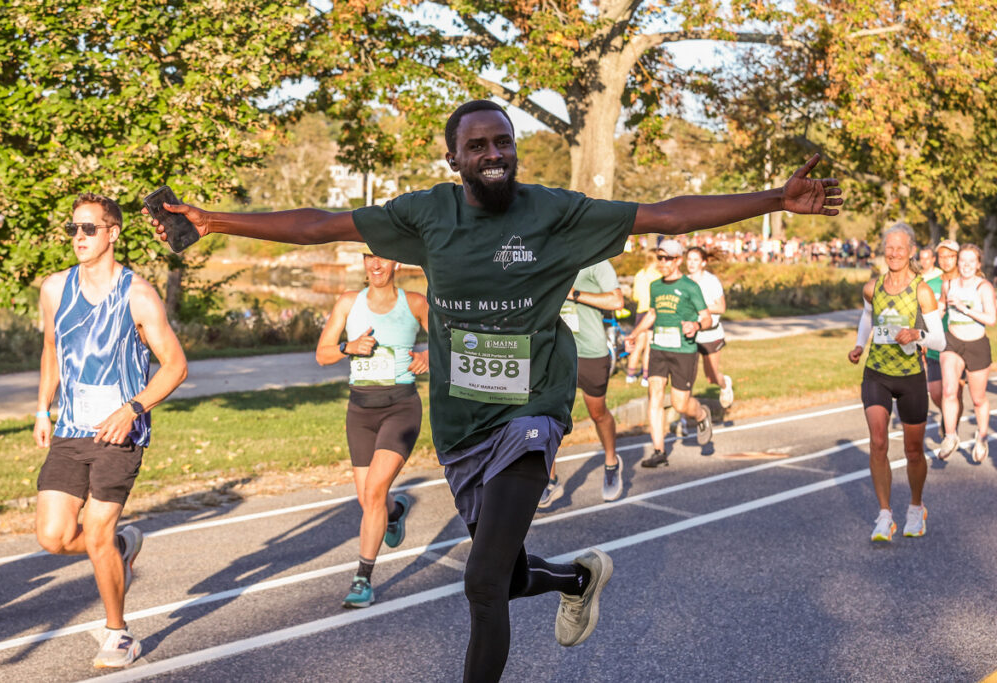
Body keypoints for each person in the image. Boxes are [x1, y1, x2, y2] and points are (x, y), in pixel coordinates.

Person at [145, 100, 842, 683]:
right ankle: (575, 580)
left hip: (533, 409)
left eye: (503, 140)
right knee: (502, 577)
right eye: (477, 144)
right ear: (455, 158)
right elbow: (318, 224)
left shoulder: (555, 216)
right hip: (462, 425)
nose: (493, 151)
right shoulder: (428, 216)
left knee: (480, 582)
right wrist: (213, 221)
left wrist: (773, 200)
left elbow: (669, 215)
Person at [34, 192, 188, 668]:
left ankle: (119, 634)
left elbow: (175, 366)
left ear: (113, 232)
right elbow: (52, 349)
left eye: (89, 229)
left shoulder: (137, 293)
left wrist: (132, 408)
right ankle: (122, 548)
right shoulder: (55, 289)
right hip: (71, 428)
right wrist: (42, 408)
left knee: (96, 532)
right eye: (73, 229)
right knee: (53, 537)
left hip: (121, 433)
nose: (78, 237)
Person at [315, 248, 430, 607]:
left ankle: (362, 579)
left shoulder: (415, 303)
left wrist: (429, 357)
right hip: (360, 411)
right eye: (370, 258)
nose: (376, 265)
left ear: (397, 262)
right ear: (364, 263)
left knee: (376, 489)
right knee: (370, 500)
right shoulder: (349, 302)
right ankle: (395, 513)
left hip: (401, 407)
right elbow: (322, 353)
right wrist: (349, 347)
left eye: (383, 257)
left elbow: (451, 339)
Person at [847, 224, 944, 542]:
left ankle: (916, 507)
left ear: (911, 251)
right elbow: (867, 316)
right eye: (889, 247)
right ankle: (885, 515)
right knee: (877, 442)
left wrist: (918, 334)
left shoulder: (921, 290)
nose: (894, 253)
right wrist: (861, 344)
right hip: (877, 373)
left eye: (900, 248)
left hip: (911, 377)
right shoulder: (872, 288)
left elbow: (940, 340)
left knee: (914, 450)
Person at [541, 260, 625, 508]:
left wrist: (574, 294)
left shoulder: (596, 262)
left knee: (597, 413)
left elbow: (617, 301)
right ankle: (549, 479)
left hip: (590, 351)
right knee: (547, 415)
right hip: (555, 351)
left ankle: (611, 462)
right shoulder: (548, 255)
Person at [624, 240, 713, 466]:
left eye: (667, 259)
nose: (662, 263)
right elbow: (652, 313)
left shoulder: (690, 287)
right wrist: (634, 334)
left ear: (678, 260)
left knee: (680, 404)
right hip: (659, 349)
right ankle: (658, 452)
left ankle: (702, 415)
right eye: (659, 258)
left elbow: (707, 317)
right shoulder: (655, 286)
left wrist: (696, 326)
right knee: (654, 396)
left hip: (683, 350)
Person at [937, 244, 996, 462]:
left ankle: (981, 438)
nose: (967, 265)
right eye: (963, 260)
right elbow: (941, 307)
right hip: (952, 341)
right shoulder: (948, 284)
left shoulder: (984, 287)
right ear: (957, 262)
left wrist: (964, 308)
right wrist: (934, 312)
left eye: (972, 261)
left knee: (978, 398)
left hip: (976, 344)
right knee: (949, 388)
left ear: (978, 264)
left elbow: (991, 319)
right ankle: (950, 436)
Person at [685, 246, 733, 409]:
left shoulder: (711, 281)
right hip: (690, 334)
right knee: (686, 377)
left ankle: (725, 384)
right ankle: (683, 414)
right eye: (689, 259)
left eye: (695, 260)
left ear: (703, 263)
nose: (691, 263)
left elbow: (721, 308)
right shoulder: (684, 281)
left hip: (710, 334)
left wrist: (700, 306)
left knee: (711, 377)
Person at [925, 240, 962, 433]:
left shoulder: (965, 281)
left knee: (955, 392)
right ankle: (949, 414)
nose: (946, 261)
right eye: (942, 256)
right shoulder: (930, 284)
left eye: (951, 256)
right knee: (937, 392)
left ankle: (951, 423)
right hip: (935, 345)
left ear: (958, 257)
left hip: (959, 345)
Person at [626, 249, 661, 385]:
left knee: (638, 345)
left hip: (641, 311)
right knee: (649, 346)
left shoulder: (639, 274)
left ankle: (630, 374)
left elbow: (635, 296)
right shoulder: (658, 276)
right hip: (652, 311)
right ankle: (646, 377)